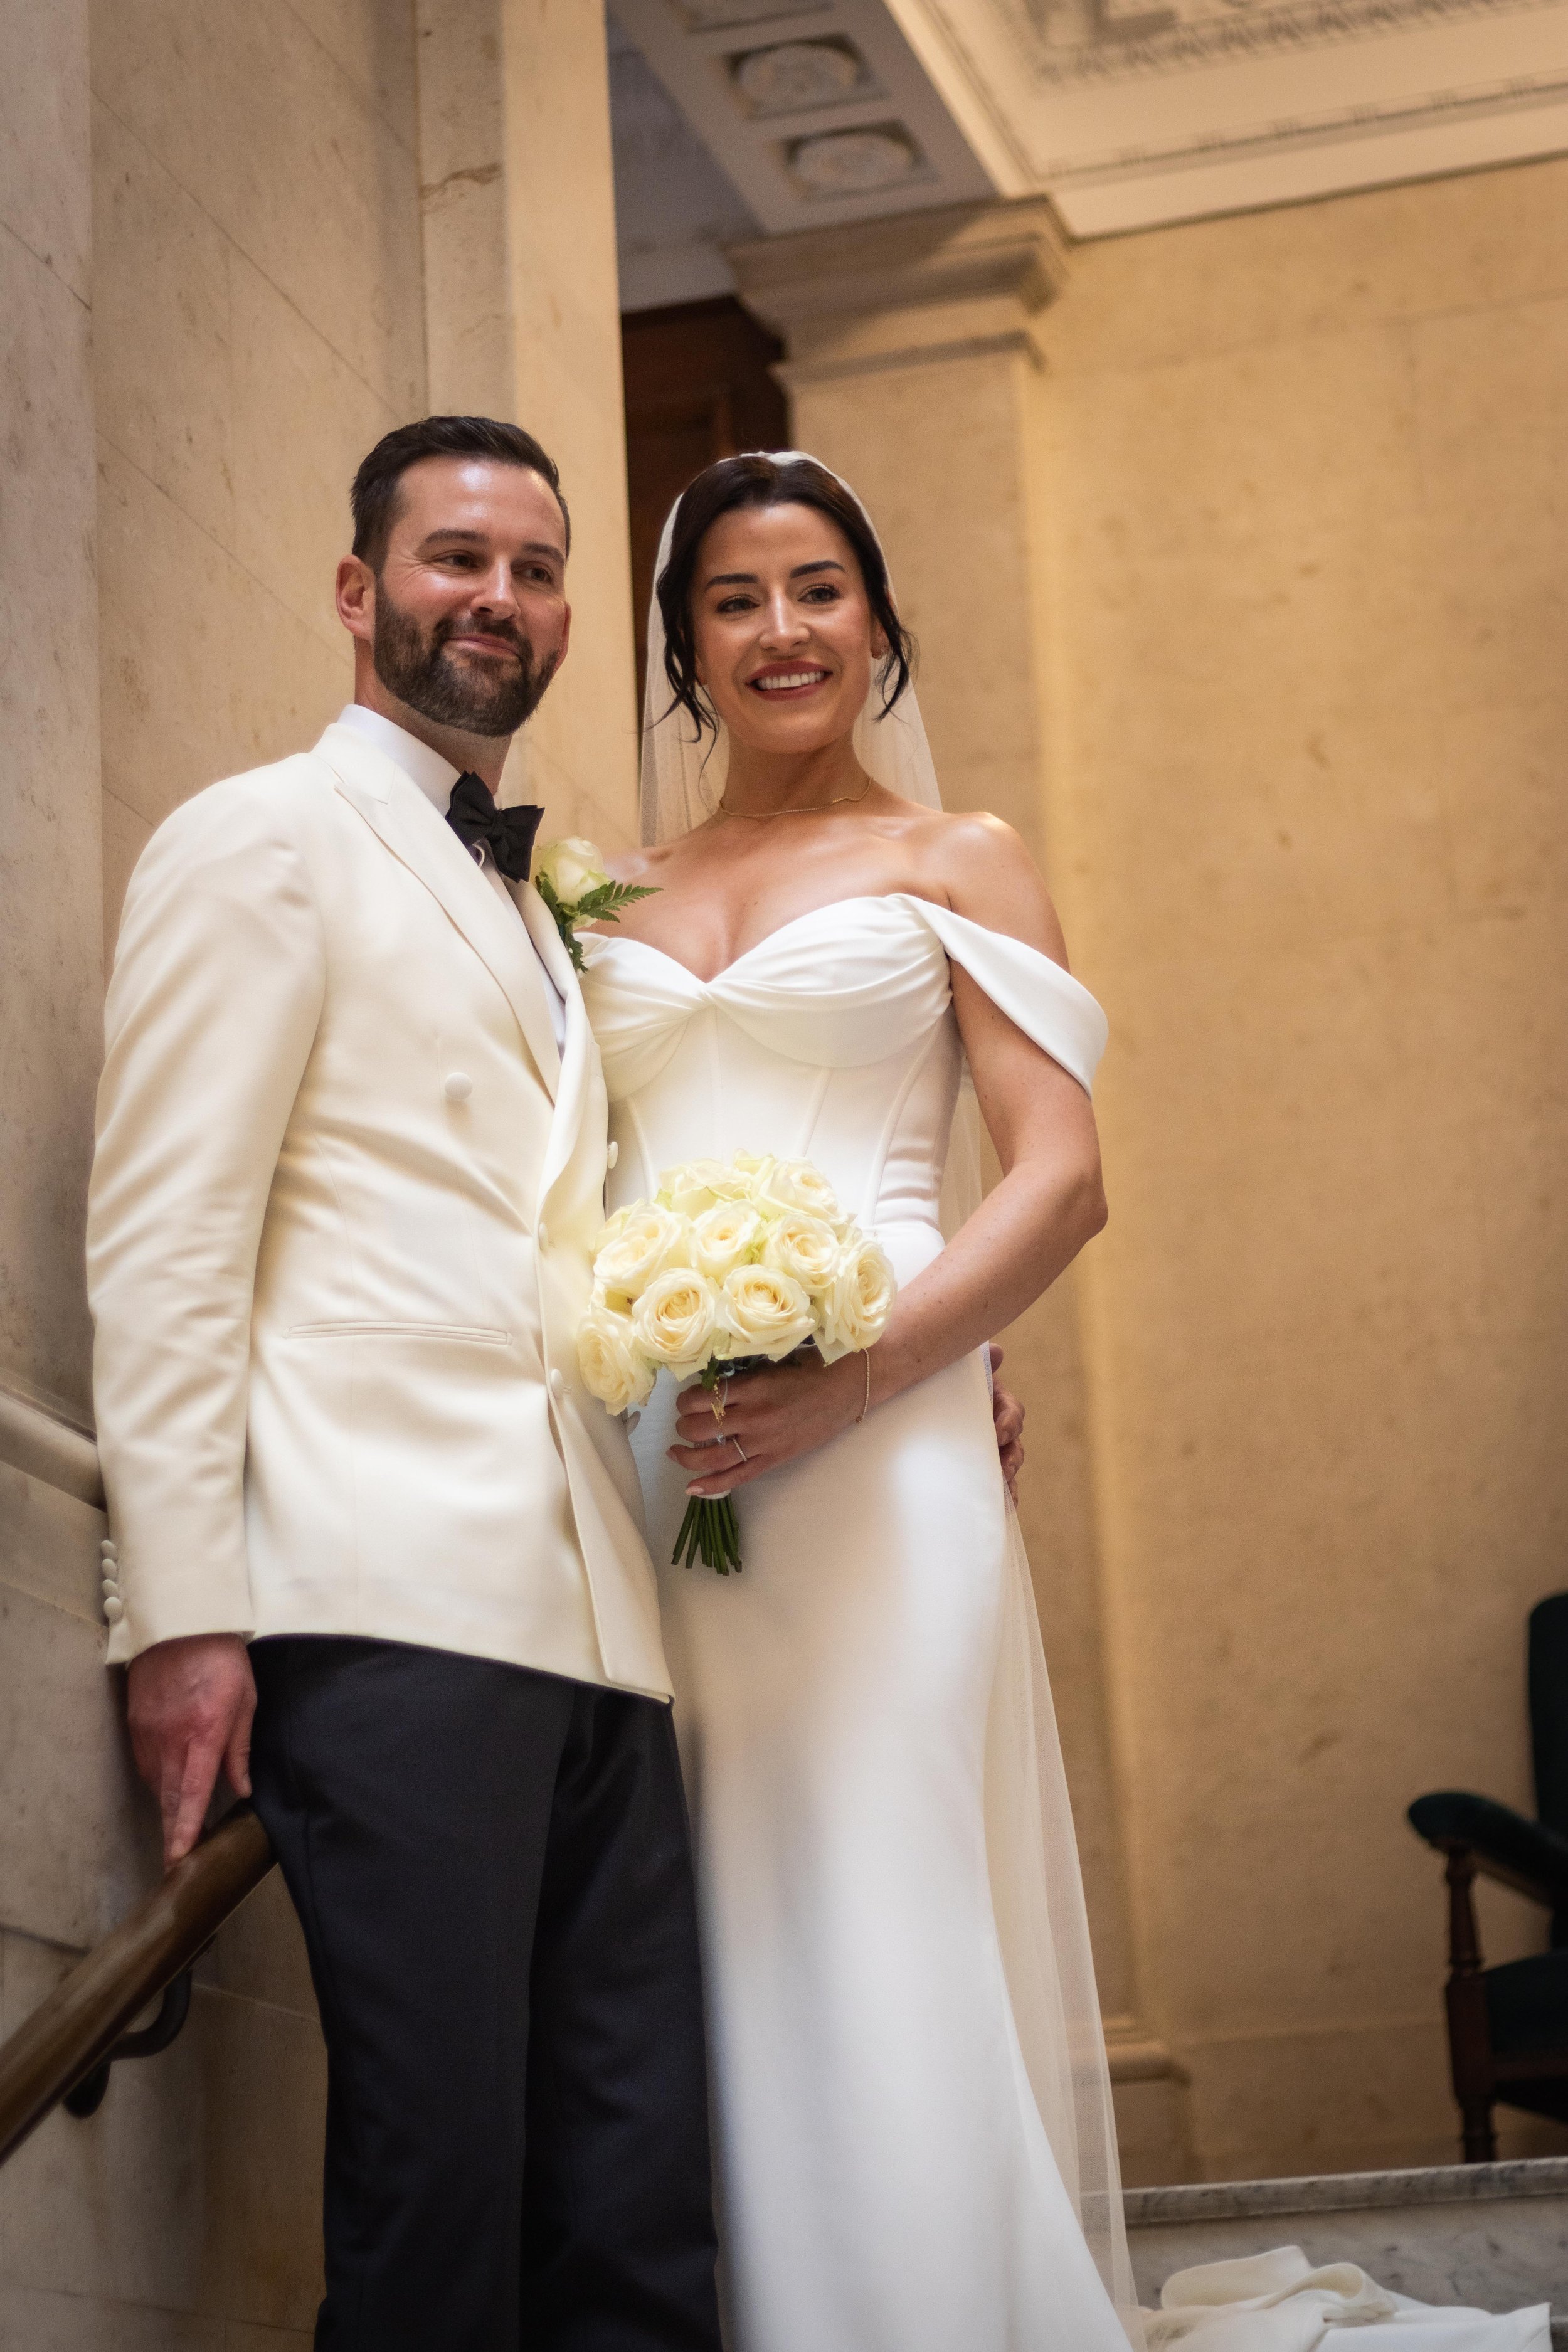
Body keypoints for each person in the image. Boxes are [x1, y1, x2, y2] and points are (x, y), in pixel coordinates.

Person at [576, 453, 1555, 2352]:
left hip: (883, 1447)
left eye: (817, 590)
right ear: (683, 646)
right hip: (658, 1453)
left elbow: (1057, 1175)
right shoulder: (598, 890)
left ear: (877, 620)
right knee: (693, 1919)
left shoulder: (959, 857)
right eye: (733, 600)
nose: (780, 631)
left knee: (873, 1879)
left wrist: (859, 1375)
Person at [86, 416, 721, 2351]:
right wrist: (182, 1608)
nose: (498, 601)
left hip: (599, 1624)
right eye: (455, 559)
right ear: (361, 592)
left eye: (532, 571)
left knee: (629, 2196)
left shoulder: (550, 916)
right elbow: (167, 1237)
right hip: (381, 1604)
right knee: (435, 2186)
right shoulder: (259, 836)